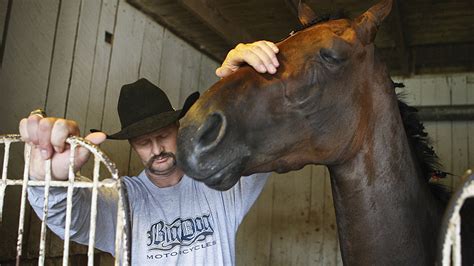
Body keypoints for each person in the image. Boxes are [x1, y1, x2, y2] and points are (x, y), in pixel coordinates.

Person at [20, 41, 280, 265]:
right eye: (144, 142)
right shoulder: (122, 200)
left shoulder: (218, 183)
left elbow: (264, 132)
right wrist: (50, 182)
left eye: (163, 135)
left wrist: (244, 80)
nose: (157, 149)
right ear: (132, 144)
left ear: (178, 128)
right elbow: (65, 214)